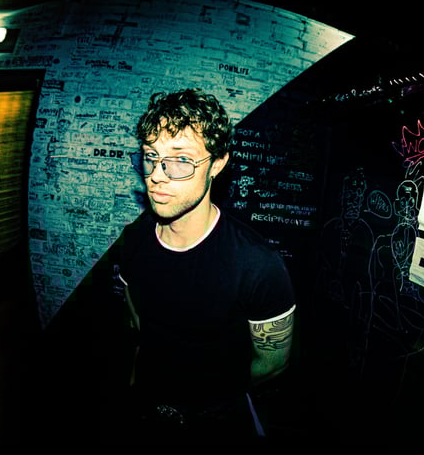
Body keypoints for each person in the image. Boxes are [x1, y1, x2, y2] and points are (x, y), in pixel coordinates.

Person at [39, 88, 296, 445]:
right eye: (151, 156)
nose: (157, 175)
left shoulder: (257, 264)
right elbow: (137, 322)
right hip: (146, 407)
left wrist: (214, 396)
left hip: (217, 419)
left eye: (181, 160)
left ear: (217, 164)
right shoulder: (134, 240)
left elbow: (272, 364)